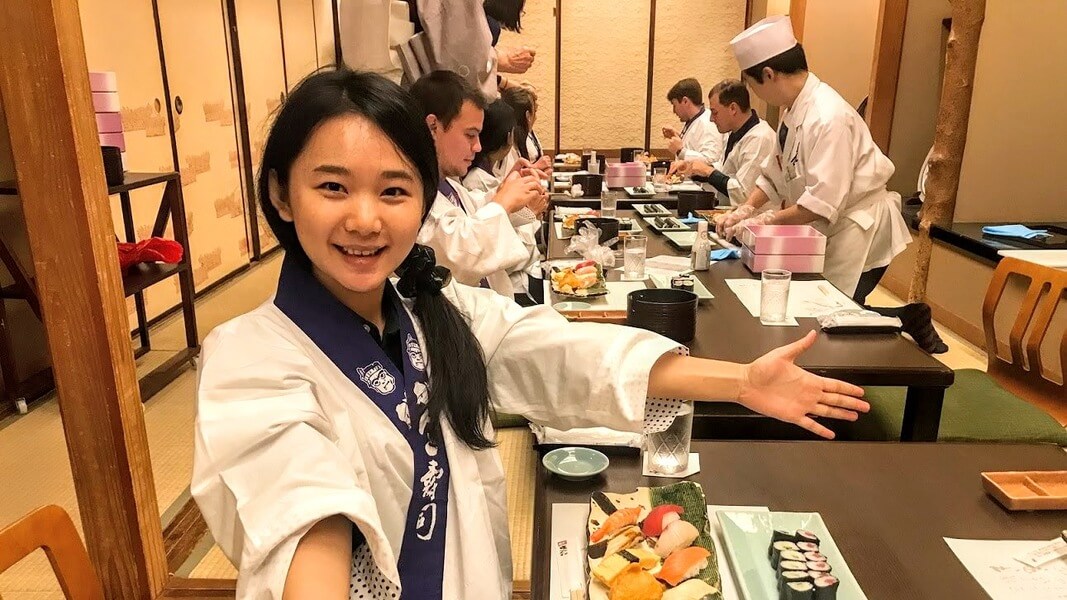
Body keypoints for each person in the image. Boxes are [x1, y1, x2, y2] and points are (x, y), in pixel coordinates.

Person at [190, 67, 869, 598]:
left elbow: (560, 352)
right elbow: (302, 508)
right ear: (281, 194)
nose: (366, 219)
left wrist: (742, 381)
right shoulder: (249, 358)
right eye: (333, 188)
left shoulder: (433, 308)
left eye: (394, 191)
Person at [720, 16, 946, 353]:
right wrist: (748, 207)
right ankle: (906, 317)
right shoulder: (791, 110)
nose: (754, 93)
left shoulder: (828, 116)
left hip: (860, 227)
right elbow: (774, 175)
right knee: (824, 314)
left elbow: (820, 203)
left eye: (753, 85)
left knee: (829, 321)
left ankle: (903, 326)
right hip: (829, 229)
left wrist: (765, 221)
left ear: (768, 74)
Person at [409, 70, 545, 297]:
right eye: (470, 135)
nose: (478, 147)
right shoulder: (410, 192)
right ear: (433, 127)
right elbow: (461, 255)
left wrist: (507, 192)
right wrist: (502, 203)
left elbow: (474, 210)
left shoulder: (446, 182)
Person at [461, 99, 544, 303]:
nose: (476, 145)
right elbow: (493, 253)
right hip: (509, 286)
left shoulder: (488, 174)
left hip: (514, 277)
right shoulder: (474, 181)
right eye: (470, 135)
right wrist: (530, 215)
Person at [669, 79, 779, 207]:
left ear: (733, 108)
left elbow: (743, 193)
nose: (711, 119)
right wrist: (694, 168)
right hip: (731, 211)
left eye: (714, 112)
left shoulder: (759, 138)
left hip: (755, 219)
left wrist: (708, 171)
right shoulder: (736, 133)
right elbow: (726, 171)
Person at [662, 78, 725, 164]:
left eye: (674, 105)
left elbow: (711, 160)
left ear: (685, 101)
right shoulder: (694, 120)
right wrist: (678, 136)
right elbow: (693, 145)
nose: (674, 111)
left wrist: (680, 151)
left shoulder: (708, 123)